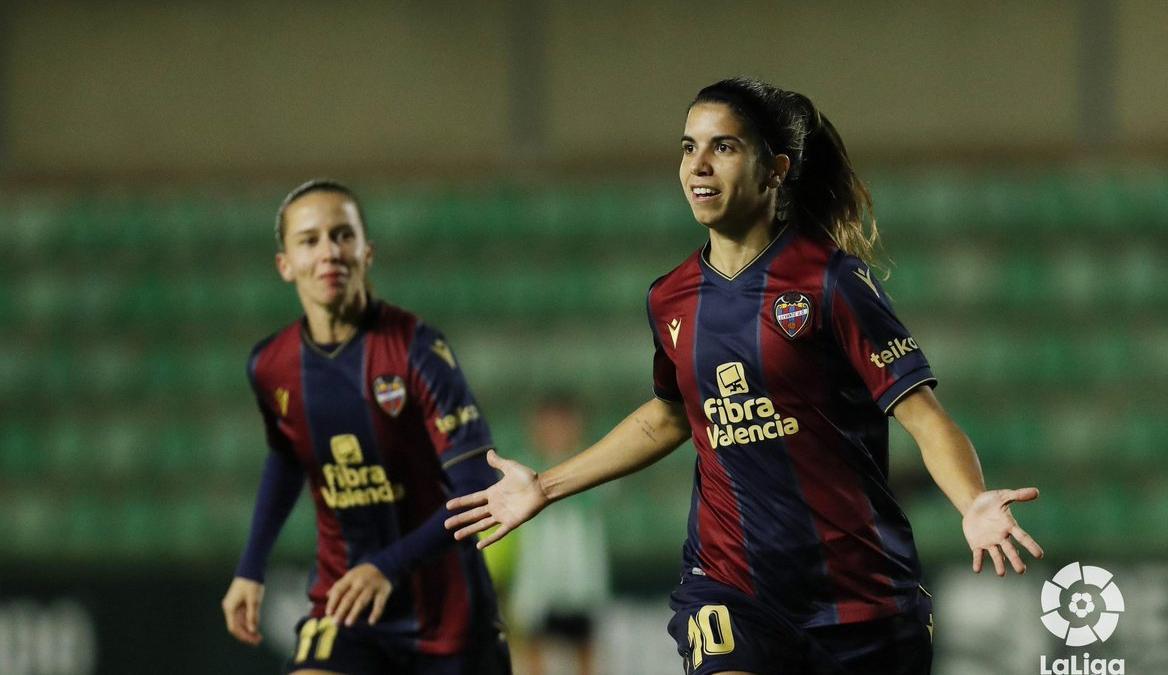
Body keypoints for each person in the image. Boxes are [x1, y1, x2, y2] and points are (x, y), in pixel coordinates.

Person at [445, 77, 1044, 675]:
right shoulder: (670, 299)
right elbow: (672, 413)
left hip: (860, 597)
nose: (698, 165)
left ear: (774, 168)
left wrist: (973, 501)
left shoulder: (831, 283)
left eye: (723, 147)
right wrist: (545, 487)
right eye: (688, 147)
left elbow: (923, 416)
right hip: (731, 585)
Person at [220, 179, 510, 675]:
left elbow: (479, 487)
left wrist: (388, 565)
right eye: (309, 241)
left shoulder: (417, 350)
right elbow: (288, 456)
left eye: (342, 236)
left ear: (367, 252)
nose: (329, 252)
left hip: (448, 616)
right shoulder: (271, 365)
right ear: (285, 265)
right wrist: (250, 567)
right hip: (345, 600)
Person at [509, 394, 610, 675]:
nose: (556, 433)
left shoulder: (595, 469)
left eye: (563, 424)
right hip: (536, 584)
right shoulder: (524, 470)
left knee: (584, 650)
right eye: (549, 425)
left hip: (581, 582)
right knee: (534, 652)